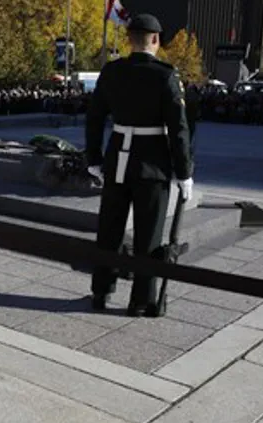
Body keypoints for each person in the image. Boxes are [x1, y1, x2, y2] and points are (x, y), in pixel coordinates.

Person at [85, 14, 194, 317]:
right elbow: (179, 129)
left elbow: (94, 118)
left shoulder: (112, 71)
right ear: (156, 40)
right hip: (152, 165)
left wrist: (93, 159)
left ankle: (100, 291)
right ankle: (141, 300)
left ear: (129, 39)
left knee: (109, 230)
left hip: (117, 160)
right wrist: (184, 173)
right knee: (149, 235)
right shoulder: (165, 76)